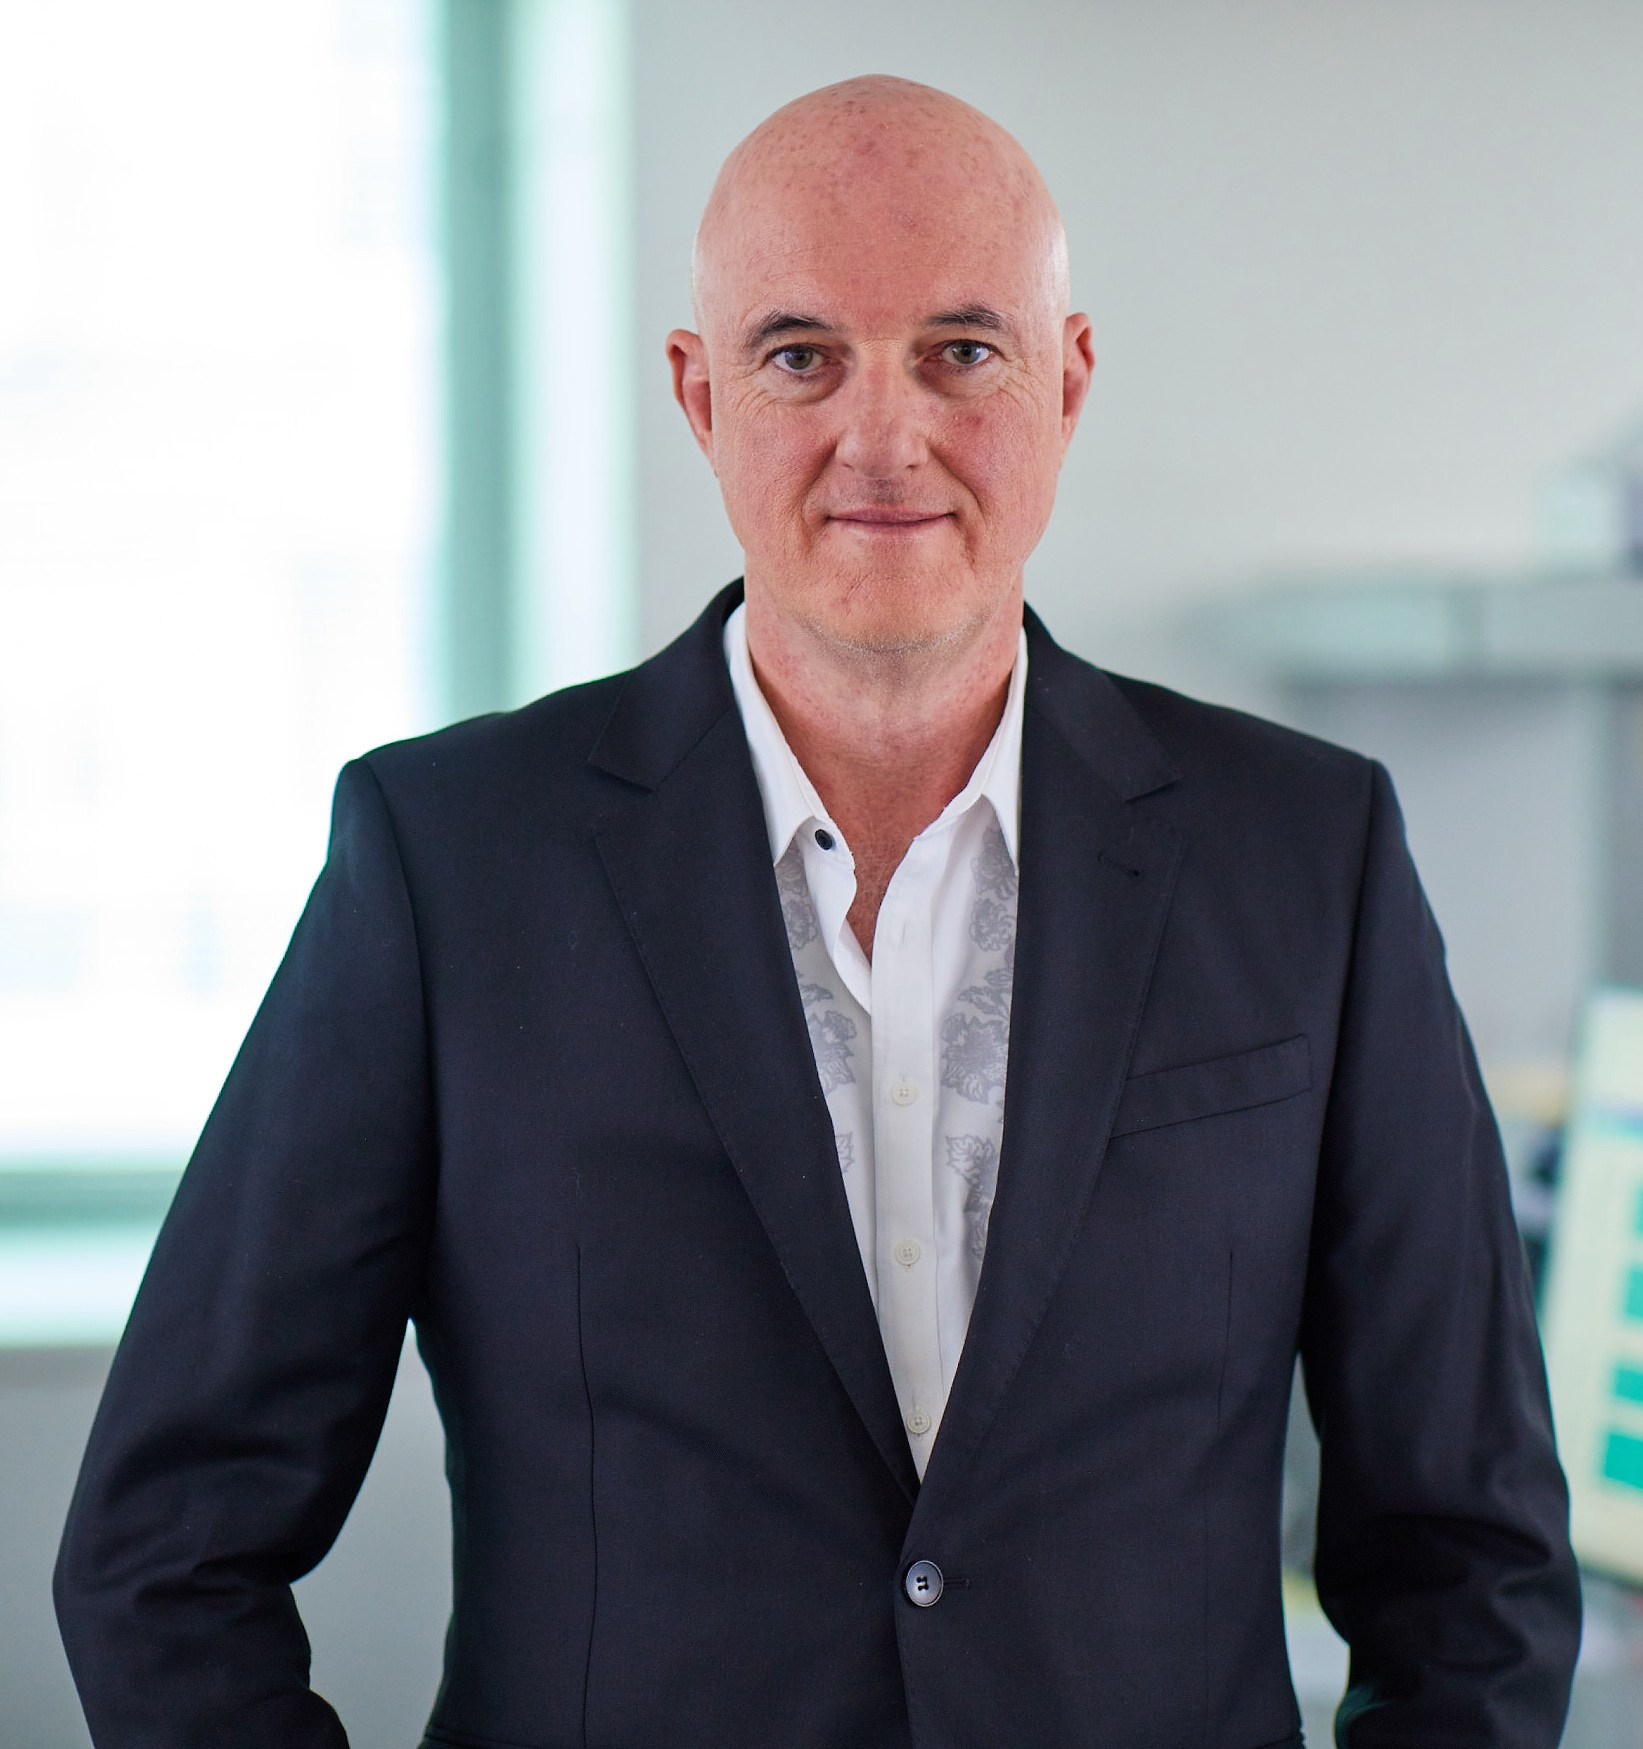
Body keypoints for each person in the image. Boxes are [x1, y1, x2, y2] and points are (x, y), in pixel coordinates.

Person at [56, 75, 1579, 1749]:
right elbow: (164, 1550)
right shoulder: (447, 862)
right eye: (801, 355)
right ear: (699, 395)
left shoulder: (1309, 855)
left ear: (1069, 382)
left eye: (962, 350)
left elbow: (1474, 1567)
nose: (884, 436)